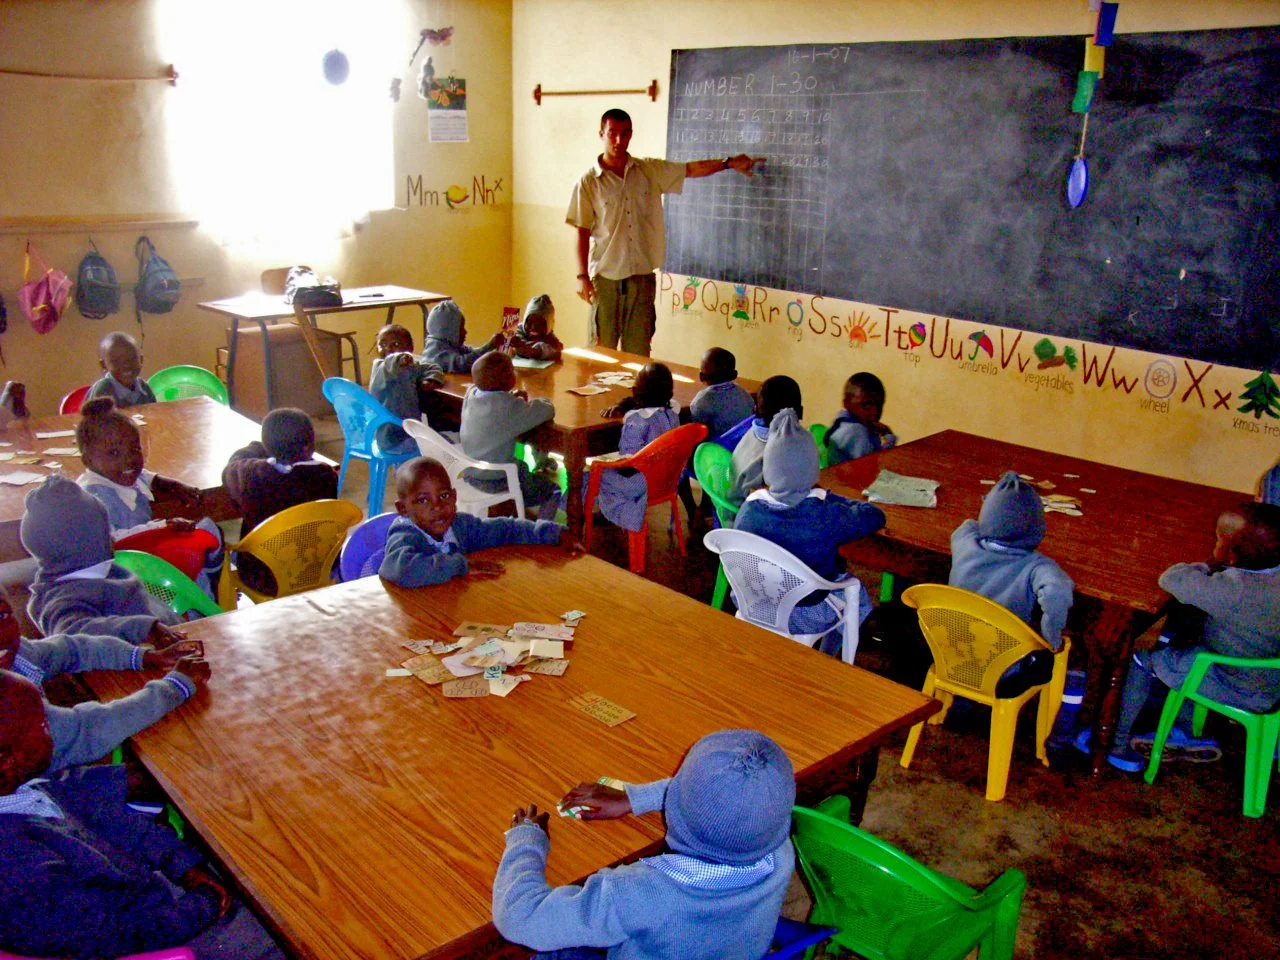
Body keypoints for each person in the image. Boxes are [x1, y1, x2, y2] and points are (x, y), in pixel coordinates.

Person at [0, 670, 283, 960]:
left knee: (254, 864)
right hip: (167, 937)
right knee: (288, 923)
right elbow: (114, 935)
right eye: (44, 723)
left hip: (155, 895)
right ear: (6, 759)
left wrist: (184, 865)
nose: (53, 726)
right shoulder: (18, 871)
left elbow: (118, 823)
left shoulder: (27, 791)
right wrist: (205, 902)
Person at [492, 729, 795, 960]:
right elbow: (727, 806)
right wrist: (633, 799)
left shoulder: (636, 893)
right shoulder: (781, 853)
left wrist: (526, 840)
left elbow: (519, 917)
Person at [567, 108, 766, 356]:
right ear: (602, 134)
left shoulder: (648, 170)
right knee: (601, 354)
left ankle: (634, 396)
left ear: (631, 135)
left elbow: (690, 169)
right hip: (606, 280)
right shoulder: (588, 182)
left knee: (638, 355)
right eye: (612, 134)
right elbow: (582, 231)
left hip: (641, 279)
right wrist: (581, 275)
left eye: (625, 134)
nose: (619, 141)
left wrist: (727, 163)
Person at [1107, 502, 1280, 772]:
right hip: (1271, 681)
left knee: (1142, 660)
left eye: (1218, 539)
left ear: (1232, 553)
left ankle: (1115, 745)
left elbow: (1172, 579)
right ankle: (1183, 729)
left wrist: (1207, 566)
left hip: (1233, 683)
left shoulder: (1232, 589)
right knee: (1188, 644)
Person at [0, 588, 209, 772]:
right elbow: (86, 730)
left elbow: (72, 649)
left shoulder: (18, 653)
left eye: (2, 615)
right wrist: (175, 686)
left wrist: (142, 656)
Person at [734, 409, 885, 656]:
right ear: (812, 470)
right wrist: (827, 495)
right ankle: (832, 657)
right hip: (805, 615)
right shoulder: (823, 514)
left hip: (754, 605)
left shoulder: (748, 510)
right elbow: (874, 516)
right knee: (856, 593)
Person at [75, 396, 223, 590]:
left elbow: (145, 476)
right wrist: (163, 526)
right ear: (88, 461)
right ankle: (206, 595)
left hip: (148, 558)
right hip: (133, 572)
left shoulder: (119, 475)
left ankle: (208, 586)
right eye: (113, 453)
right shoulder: (93, 499)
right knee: (205, 537)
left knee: (209, 530)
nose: (129, 460)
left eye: (135, 449)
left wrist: (171, 485)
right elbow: (109, 542)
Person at [949, 470, 1075, 697]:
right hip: (1003, 668)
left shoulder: (964, 543)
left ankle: (962, 702)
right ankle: (1008, 689)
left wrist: (994, 511)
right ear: (1038, 530)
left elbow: (968, 524)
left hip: (952, 655)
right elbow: (1057, 592)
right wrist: (1051, 638)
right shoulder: (1037, 567)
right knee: (1043, 659)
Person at [21, 475, 186, 643]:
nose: (113, 539)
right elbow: (72, 634)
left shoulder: (104, 571)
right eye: (105, 533)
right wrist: (143, 629)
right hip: (140, 662)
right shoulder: (63, 598)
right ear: (87, 544)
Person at [379, 457, 581, 588]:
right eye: (422, 501)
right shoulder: (405, 535)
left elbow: (505, 529)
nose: (437, 507)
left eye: (443, 496)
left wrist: (552, 533)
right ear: (403, 509)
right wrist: (459, 566)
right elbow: (401, 570)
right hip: (416, 615)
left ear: (454, 496)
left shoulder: (460, 525)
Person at [222, 407, 340, 595]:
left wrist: (258, 446)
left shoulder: (252, 475)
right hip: (317, 568)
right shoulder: (326, 475)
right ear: (310, 446)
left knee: (227, 545)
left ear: (267, 447)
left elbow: (232, 467)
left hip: (263, 575)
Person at [460, 352, 561, 519]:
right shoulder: (509, 408)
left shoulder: (471, 395)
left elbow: (497, 405)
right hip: (498, 479)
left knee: (523, 470)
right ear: (507, 379)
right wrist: (541, 400)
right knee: (553, 490)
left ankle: (518, 514)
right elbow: (546, 410)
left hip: (471, 473)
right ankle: (541, 533)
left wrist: (511, 399)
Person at [595, 363, 679, 532]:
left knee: (595, 475)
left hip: (641, 482)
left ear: (634, 392)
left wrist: (608, 463)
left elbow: (629, 465)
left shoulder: (636, 421)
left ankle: (627, 516)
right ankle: (610, 512)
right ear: (670, 393)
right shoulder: (672, 414)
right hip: (668, 479)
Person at [726, 375, 803, 508]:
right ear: (800, 412)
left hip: (737, 503)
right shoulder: (775, 458)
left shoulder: (752, 433)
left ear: (755, 410)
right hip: (746, 517)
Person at [370, 323, 447, 452]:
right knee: (445, 446)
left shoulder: (409, 366)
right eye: (382, 345)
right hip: (392, 437)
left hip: (406, 432)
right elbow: (391, 363)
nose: (387, 348)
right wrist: (400, 358)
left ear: (410, 347)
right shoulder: (380, 368)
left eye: (395, 344)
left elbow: (431, 367)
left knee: (443, 440)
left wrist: (431, 379)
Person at [826, 372, 895, 466]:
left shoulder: (843, 420)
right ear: (847, 404)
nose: (875, 412)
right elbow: (874, 464)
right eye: (866, 405)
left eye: (879, 405)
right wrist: (890, 438)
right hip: (850, 479)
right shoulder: (856, 431)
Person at [421, 299, 504, 373]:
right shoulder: (436, 352)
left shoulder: (448, 342)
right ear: (450, 331)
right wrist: (488, 346)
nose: (465, 332)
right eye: (461, 329)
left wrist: (491, 349)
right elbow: (463, 364)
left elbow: (471, 352)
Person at [86, 331, 157, 407]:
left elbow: (155, 411)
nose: (126, 365)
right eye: (116, 361)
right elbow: (94, 417)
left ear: (141, 360)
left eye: (131, 359)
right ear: (104, 365)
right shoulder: (102, 390)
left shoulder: (144, 387)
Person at [509, 295, 564, 362]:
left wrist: (526, 348)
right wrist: (494, 343)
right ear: (525, 321)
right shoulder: (517, 331)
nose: (533, 327)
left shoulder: (550, 339)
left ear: (549, 326)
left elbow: (551, 350)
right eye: (530, 322)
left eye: (540, 324)